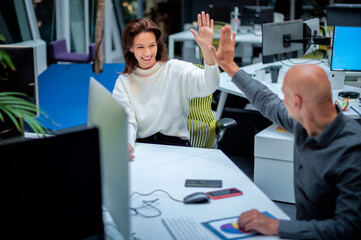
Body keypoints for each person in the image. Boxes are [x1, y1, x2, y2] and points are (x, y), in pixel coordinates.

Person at [209, 25, 361, 239]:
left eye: (285, 98)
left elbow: (349, 228)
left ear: (297, 103)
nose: (282, 103)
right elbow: (266, 100)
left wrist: (277, 227)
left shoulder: (353, 152)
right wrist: (229, 66)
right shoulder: (306, 122)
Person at [113, 12, 220, 160]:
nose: (147, 52)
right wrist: (127, 144)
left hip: (177, 147)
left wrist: (207, 49)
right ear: (130, 48)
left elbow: (211, 85)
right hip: (144, 147)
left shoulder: (175, 69)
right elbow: (127, 121)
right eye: (140, 47)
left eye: (152, 45)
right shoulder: (124, 82)